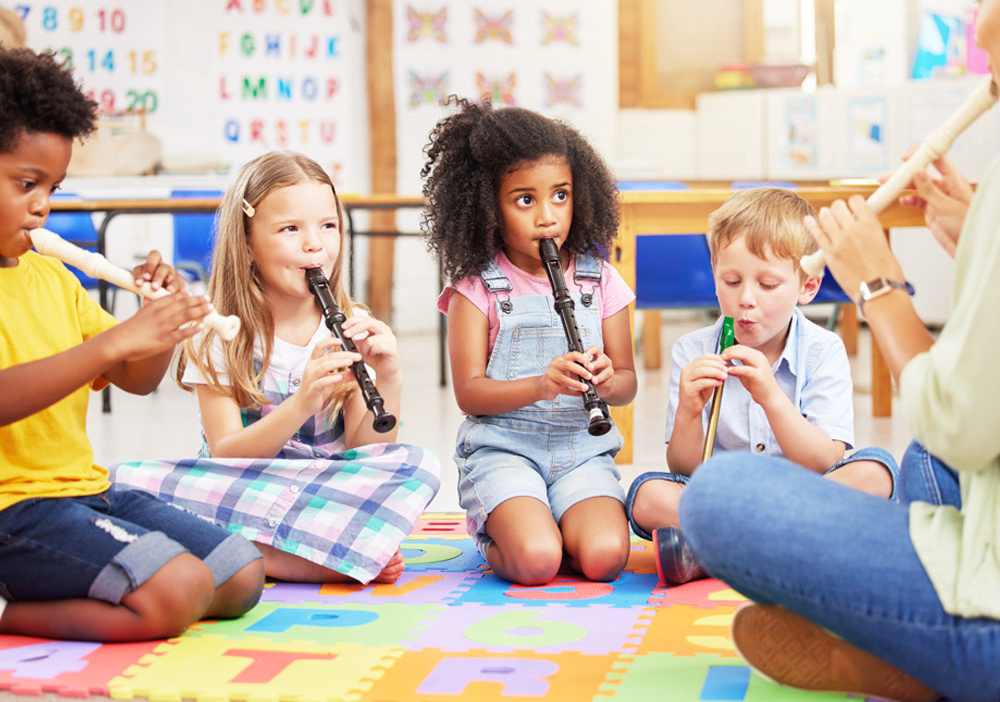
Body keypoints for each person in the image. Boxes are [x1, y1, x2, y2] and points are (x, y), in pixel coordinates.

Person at [678, 0, 1000, 701]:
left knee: (720, 501)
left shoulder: (818, 348)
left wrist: (881, 284)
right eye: (732, 280)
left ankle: (915, 663)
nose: (976, 21)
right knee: (921, 464)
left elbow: (961, 422)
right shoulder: (703, 345)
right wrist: (972, 235)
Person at [0, 46, 265, 642]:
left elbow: (135, 379)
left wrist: (155, 324)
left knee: (239, 574)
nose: (42, 204)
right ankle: (9, 616)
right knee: (178, 591)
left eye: (53, 186)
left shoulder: (51, 277)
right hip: (11, 512)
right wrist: (116, 339)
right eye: (26, 183)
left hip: (85, 491)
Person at [112, 150, 441, 585]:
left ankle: (250, 549)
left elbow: (366, 450)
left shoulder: (351, 321)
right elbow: (227, 455)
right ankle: (307, 556)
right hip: (243, 486)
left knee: (420, 465)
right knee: (123, 483)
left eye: (328, 226)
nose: (315, 245)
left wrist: (390, 378)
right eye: (290, 229)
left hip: (320, 491)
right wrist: (301, 404)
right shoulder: (219, 333)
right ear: (247, 244)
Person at [626, 187, 899, 586]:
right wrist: (688, 412)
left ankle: (719, 551)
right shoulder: (692, 350)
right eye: (731, 280)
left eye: (768, 284)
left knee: (878, 471)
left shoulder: (824, 350)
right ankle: (797, 548)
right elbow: (686, 470)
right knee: (645, 495)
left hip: (804, 491)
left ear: (807, 287)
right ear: (715, 275)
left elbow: (824, 460)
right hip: (724, 496)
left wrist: (771, 397)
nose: (746, 299)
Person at [422, 96, 637, 586]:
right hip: (504, 449)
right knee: (537, 563)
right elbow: (469, 393)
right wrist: (542, 384)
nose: (548, 217)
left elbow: (627, 383)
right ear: (487, 208)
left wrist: (607, 382)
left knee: (606, 560)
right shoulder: (475, 290)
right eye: (525, 200)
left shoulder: (599, 278)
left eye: (560, 195)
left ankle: (555, 522)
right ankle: (501, 533)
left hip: (582, 449)